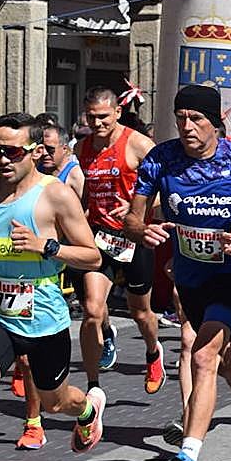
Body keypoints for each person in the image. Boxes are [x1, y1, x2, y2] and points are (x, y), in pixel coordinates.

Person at [126, 85, 231, 461]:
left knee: (202, 355)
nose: (187, 126)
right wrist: (144, 231)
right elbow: (132, 219)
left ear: (216, 123)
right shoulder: (161, 159)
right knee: (226, 359)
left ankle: (187, 457)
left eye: (196, 119)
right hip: (191, 277)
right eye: (181, 118)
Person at [0, 113, 106, 461]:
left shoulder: (56, 195)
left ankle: (87, 410)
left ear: (34, 152)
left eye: (12, 151)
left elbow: (93, 256)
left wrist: (47, 246)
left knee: (55, 404)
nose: (2, 159)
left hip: (42, 318)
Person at [75, 87, 165, 396]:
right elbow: (85, 193)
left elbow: (168, 191)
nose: (97, 123)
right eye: (91, 117)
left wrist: (135, 208)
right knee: (92, 308)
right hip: (100, 236)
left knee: (140, 312)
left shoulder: (139, 144)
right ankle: (94, 385)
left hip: (134, 237)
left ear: (117, 112)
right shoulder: (82, 147)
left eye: (103, 117)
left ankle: (152, 351)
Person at [36, 124, 84, 198]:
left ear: (64, 149)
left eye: (50, 149)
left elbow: (86, 204)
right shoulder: (36, 170)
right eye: (41, 148)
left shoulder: (75, 174)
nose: (44, 153)